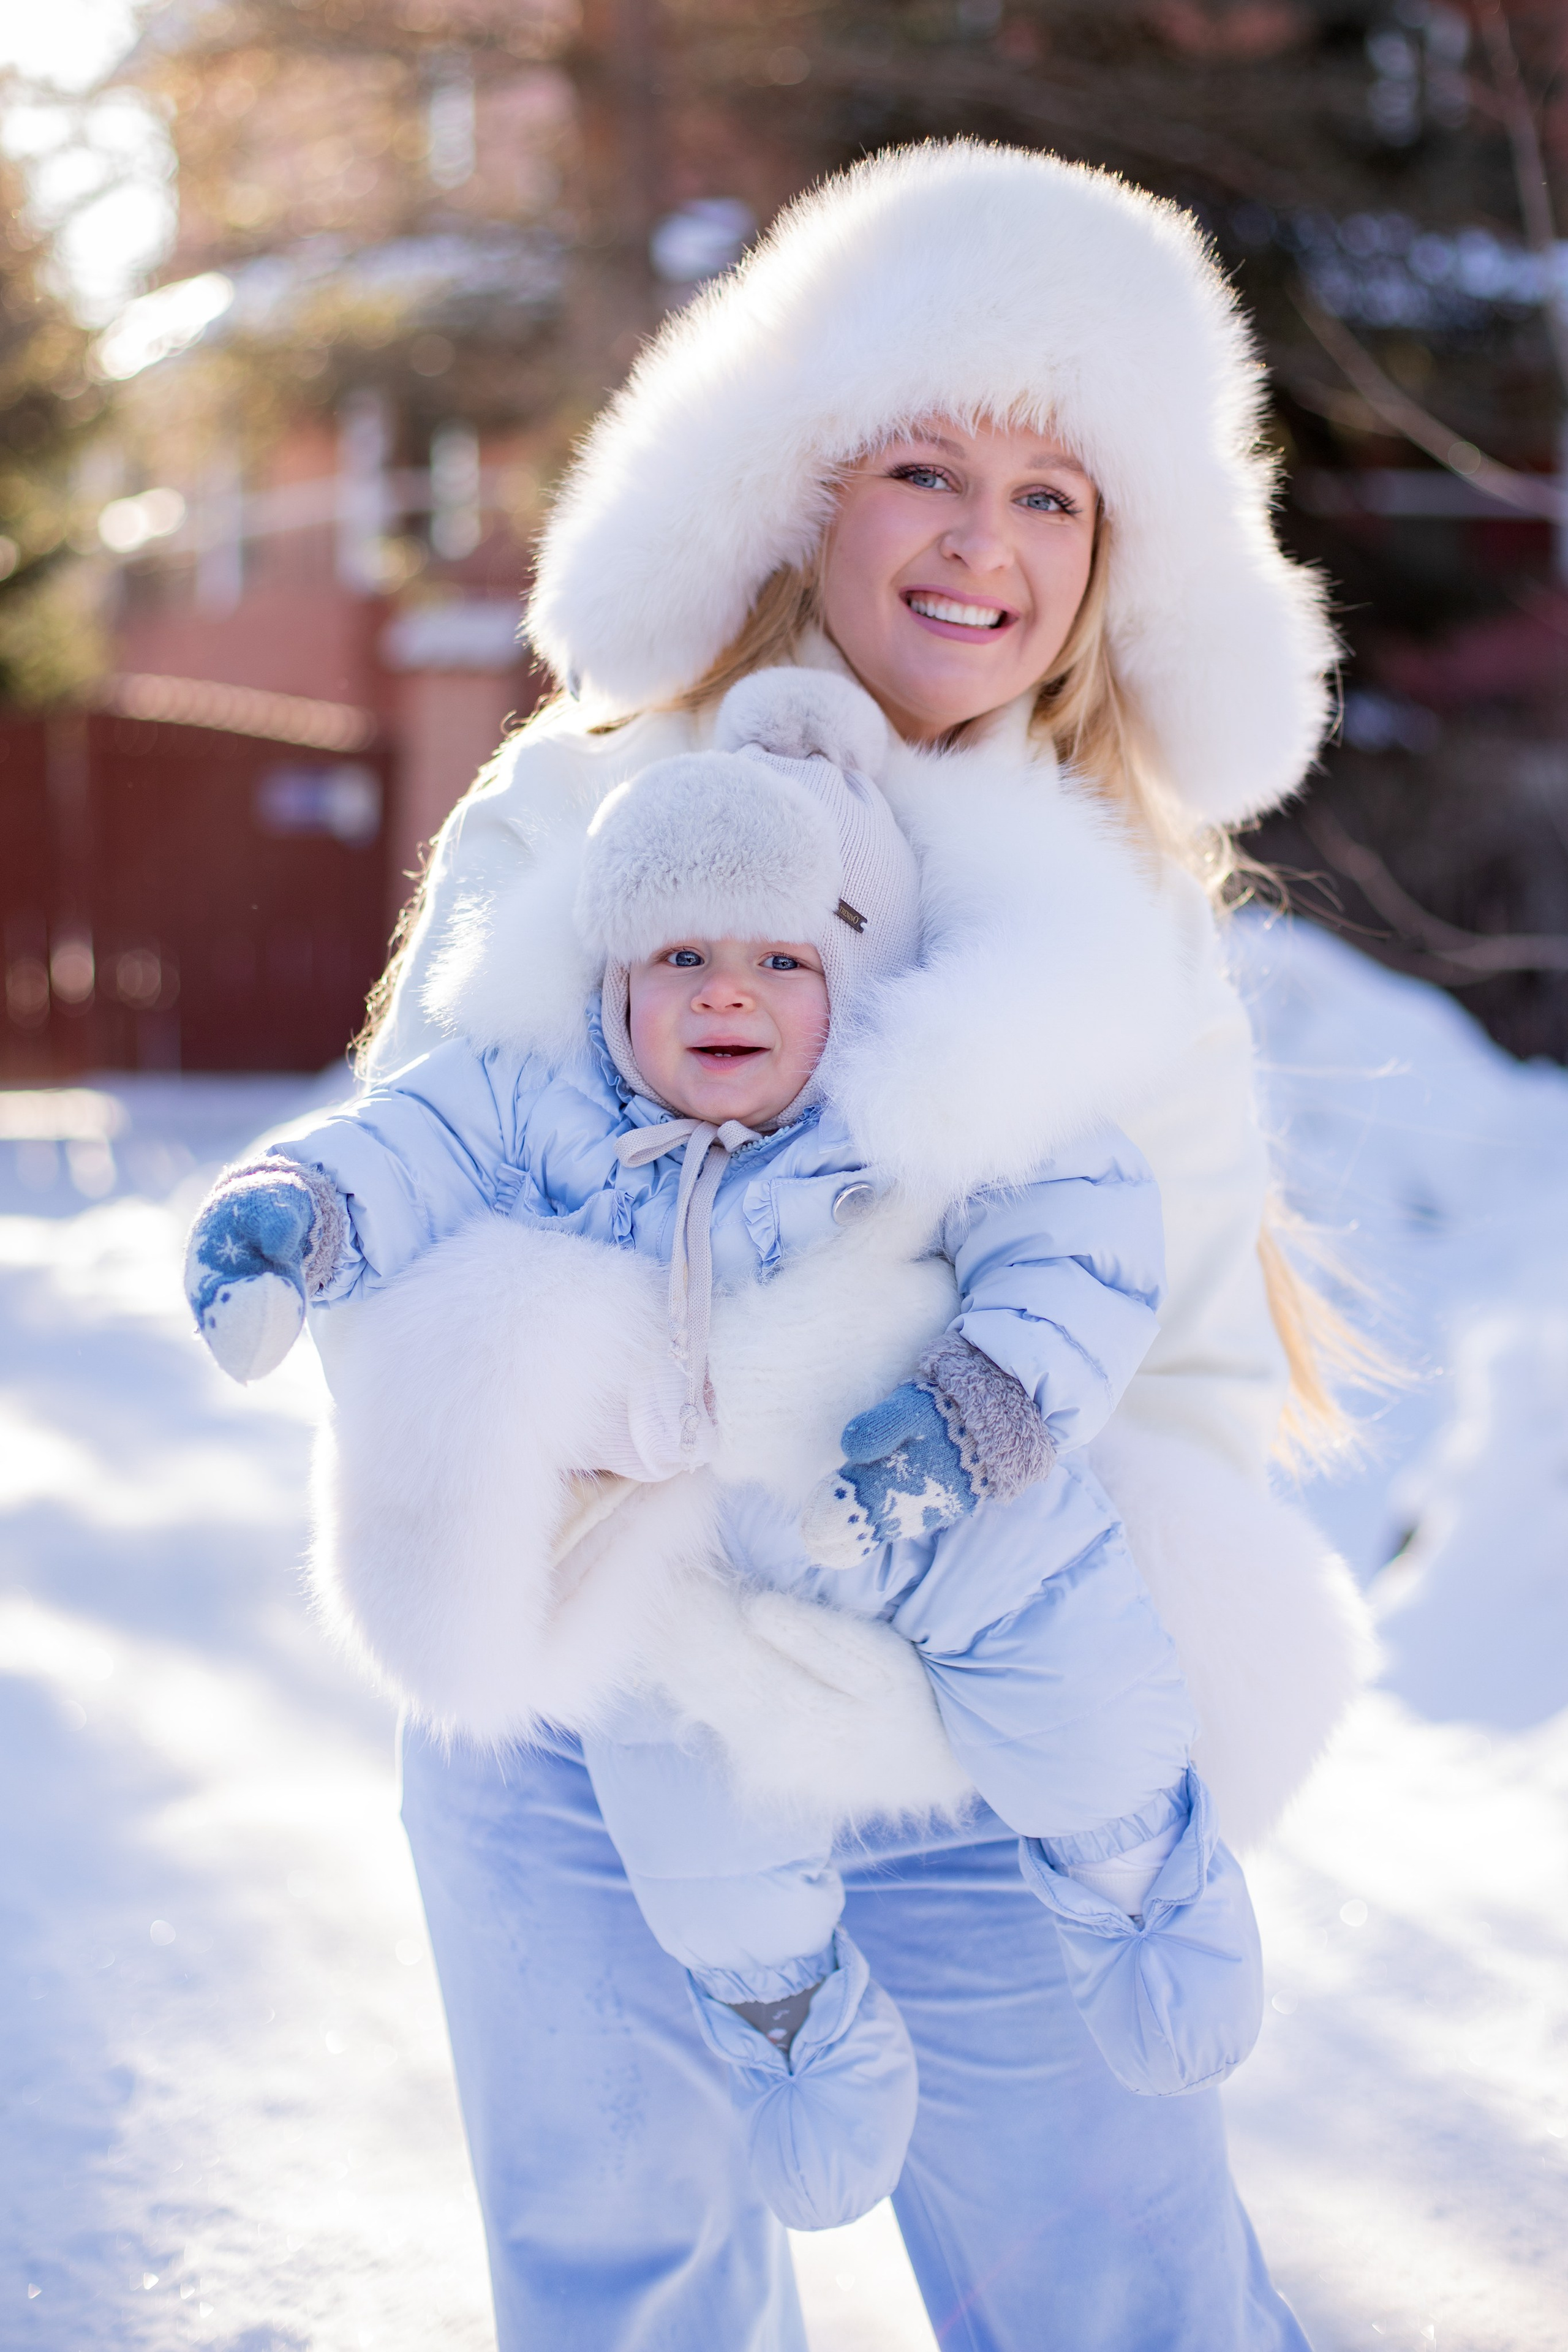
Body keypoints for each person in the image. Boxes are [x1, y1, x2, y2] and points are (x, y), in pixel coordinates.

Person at [210, 142, 1376, 2347]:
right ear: (797, 486)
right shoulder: (586, 808)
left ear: (1117, 555)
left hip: (970, 1732)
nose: (981, 539)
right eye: (926, 463)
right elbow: (447, 1187)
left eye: (1056, 494)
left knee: (1124, 2304)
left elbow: (1200, 1362)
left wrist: (1041, 1601)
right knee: (621, 2294)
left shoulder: (1128, 912)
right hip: (595, 1702)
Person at [185, 666, 1264, 2235]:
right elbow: (406, 1136)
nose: (726, 994)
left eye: (777, 957)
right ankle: (792, 2033)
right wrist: (295, 1221)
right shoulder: (545, 1099)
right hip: (689, 1554)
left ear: (851, 966)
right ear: (611, 978)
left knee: (1065, 1654)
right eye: (679, 955)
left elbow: (1081, 1230)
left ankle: (1140, 1891)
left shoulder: (903, 1100)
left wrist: (982, 1407)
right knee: (679, 1796)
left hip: (925, 1487)